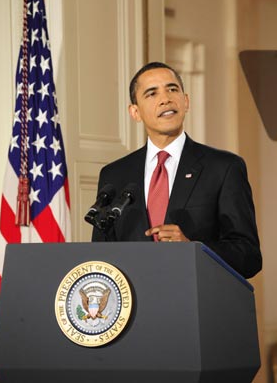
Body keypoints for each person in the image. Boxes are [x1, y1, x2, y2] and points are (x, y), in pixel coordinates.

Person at [91, 61, 262, 279]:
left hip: (196, 303)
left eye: (172, 89)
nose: (165, 99)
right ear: (135, 112)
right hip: (133, 305)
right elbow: (99, 254)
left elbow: (249, 255)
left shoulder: (224, 167)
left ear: (186, 101)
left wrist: (193, 248)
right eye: (152, 94)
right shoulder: (114, 175)